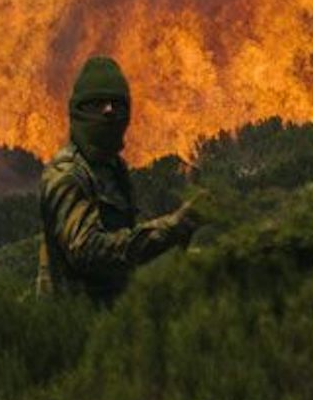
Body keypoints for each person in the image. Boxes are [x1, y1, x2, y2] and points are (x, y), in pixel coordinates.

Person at [36, 56, 200, 304]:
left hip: (112, 318)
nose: (109, 111)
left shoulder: (113, 169)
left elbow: (125, 241)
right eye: (97, 103)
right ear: (79, 109)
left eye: (117, 104)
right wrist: (170, 228)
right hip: (72, 324)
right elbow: (86, 251)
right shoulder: (67, 174)